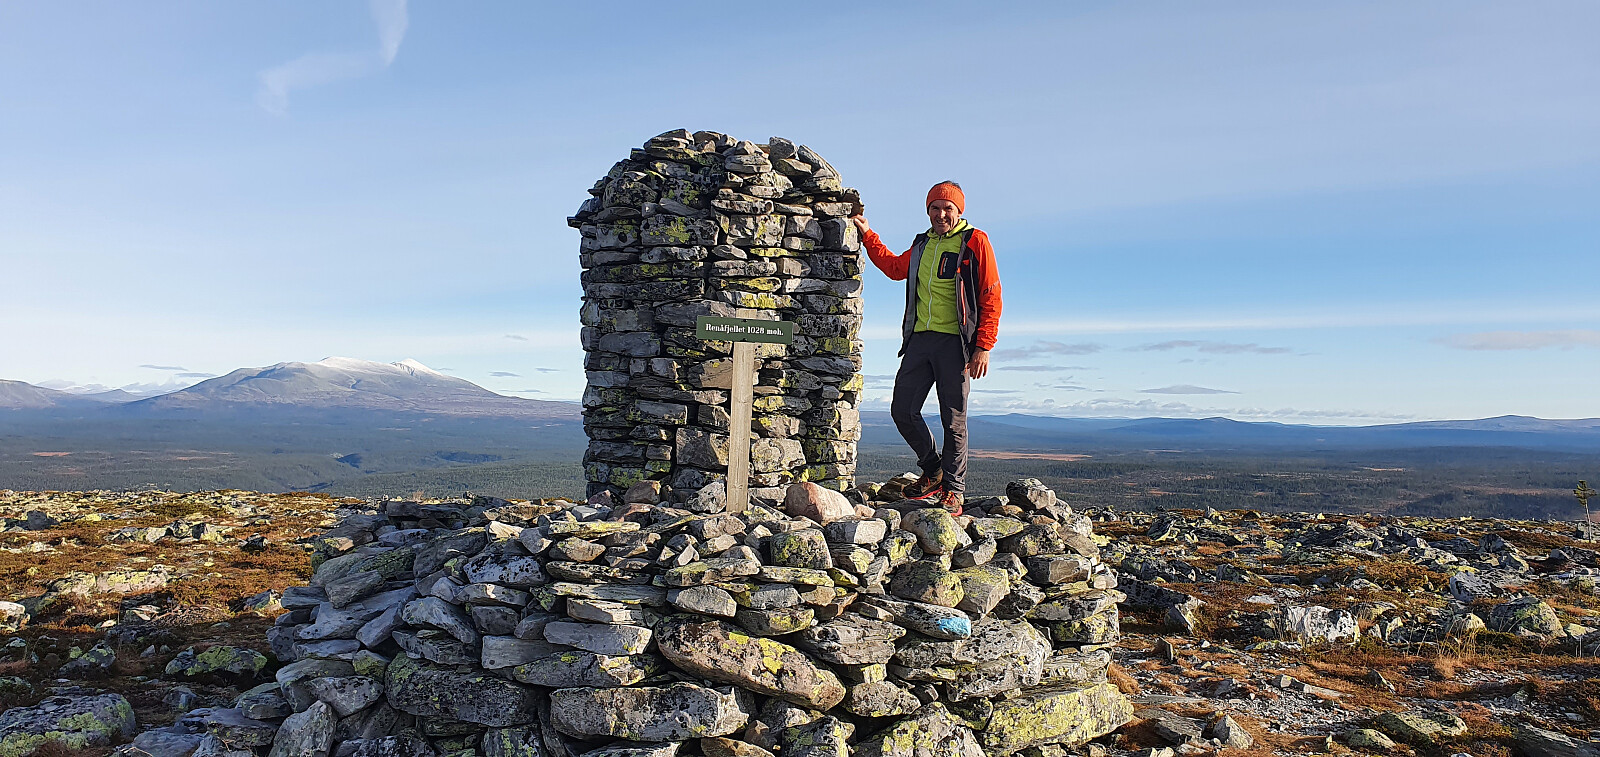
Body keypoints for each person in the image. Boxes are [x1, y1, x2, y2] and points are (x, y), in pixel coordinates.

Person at [851, 181, 1002, 515]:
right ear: (928, 211)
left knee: (953, 420)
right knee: (902, 409)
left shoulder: (975, 241)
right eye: (935, 207)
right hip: (920, 340)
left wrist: (983, 347)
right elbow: (893, 268)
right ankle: (933, 469)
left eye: (948, 208)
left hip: (956, 344)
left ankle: (954, 490)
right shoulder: (923, 244)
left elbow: (991, 294)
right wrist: (866, 233)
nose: (941, 213)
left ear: (959, 211)